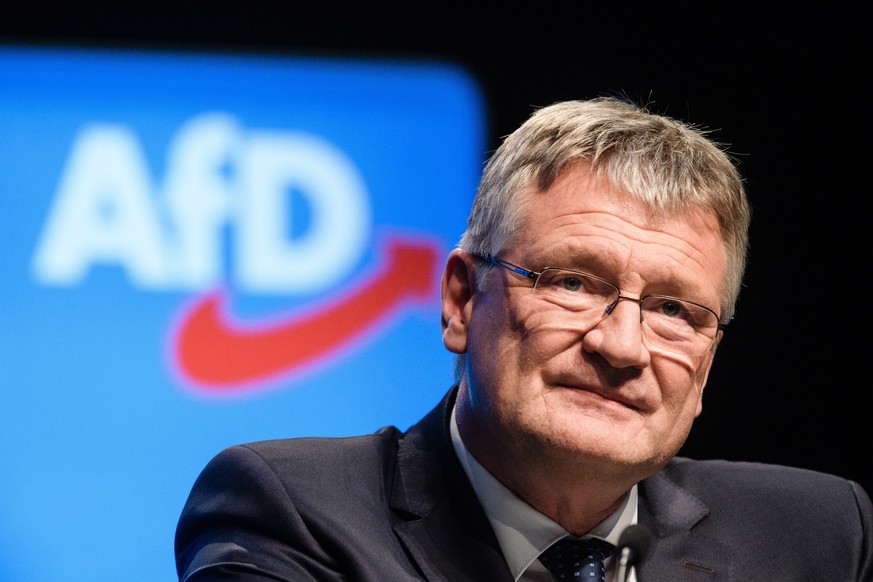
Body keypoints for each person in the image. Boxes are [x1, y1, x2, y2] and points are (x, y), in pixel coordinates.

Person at [174, 97, 873, 581]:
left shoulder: (814, 534)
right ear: (459, 300)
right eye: (572, 283)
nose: (623, 346)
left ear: (709, 353)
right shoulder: (293, 514)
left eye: (673, 309)